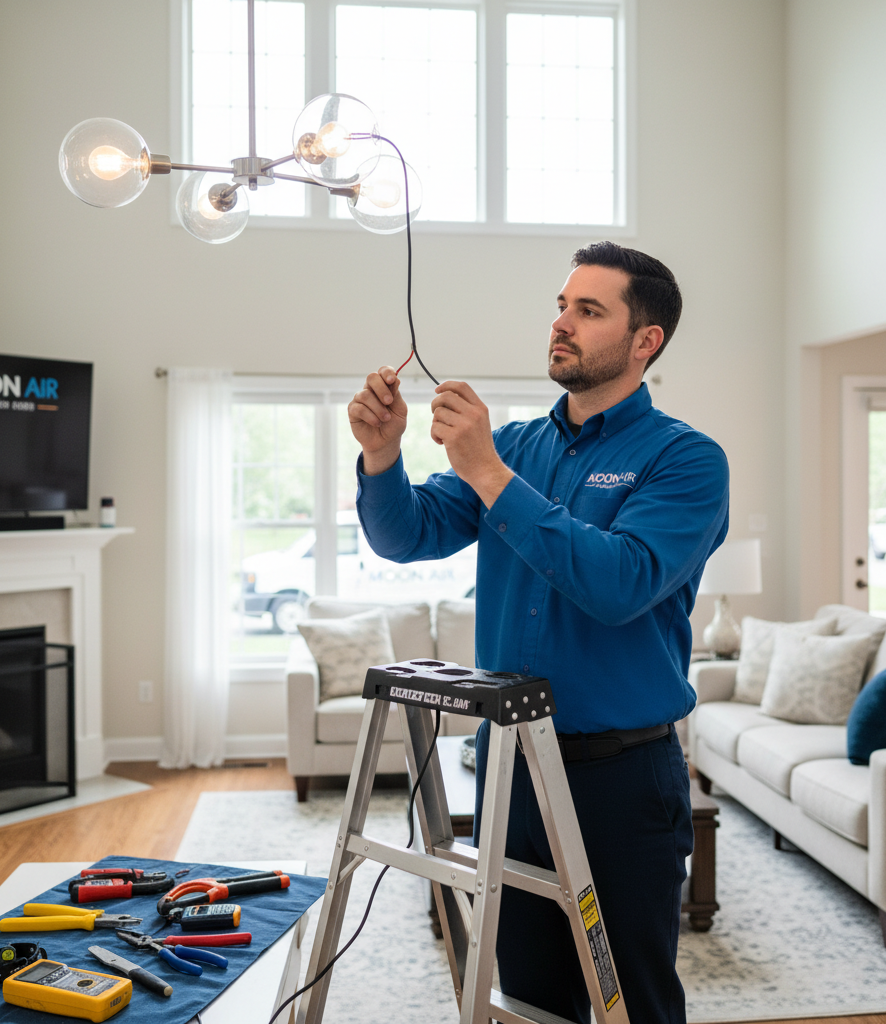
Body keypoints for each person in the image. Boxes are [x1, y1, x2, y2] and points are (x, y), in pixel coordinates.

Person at [348, 241, 729, 1024]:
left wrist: (487, 470)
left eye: (589, 311)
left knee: (636, 1004)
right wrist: (382, 455)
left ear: (644, 340)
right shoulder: (519, 446)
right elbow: (407, 534)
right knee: (530, 1001)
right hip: (511, 772)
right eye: (562, 305)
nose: (562, 323)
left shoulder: (686, 460)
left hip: (621, 779)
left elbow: (618, 584)